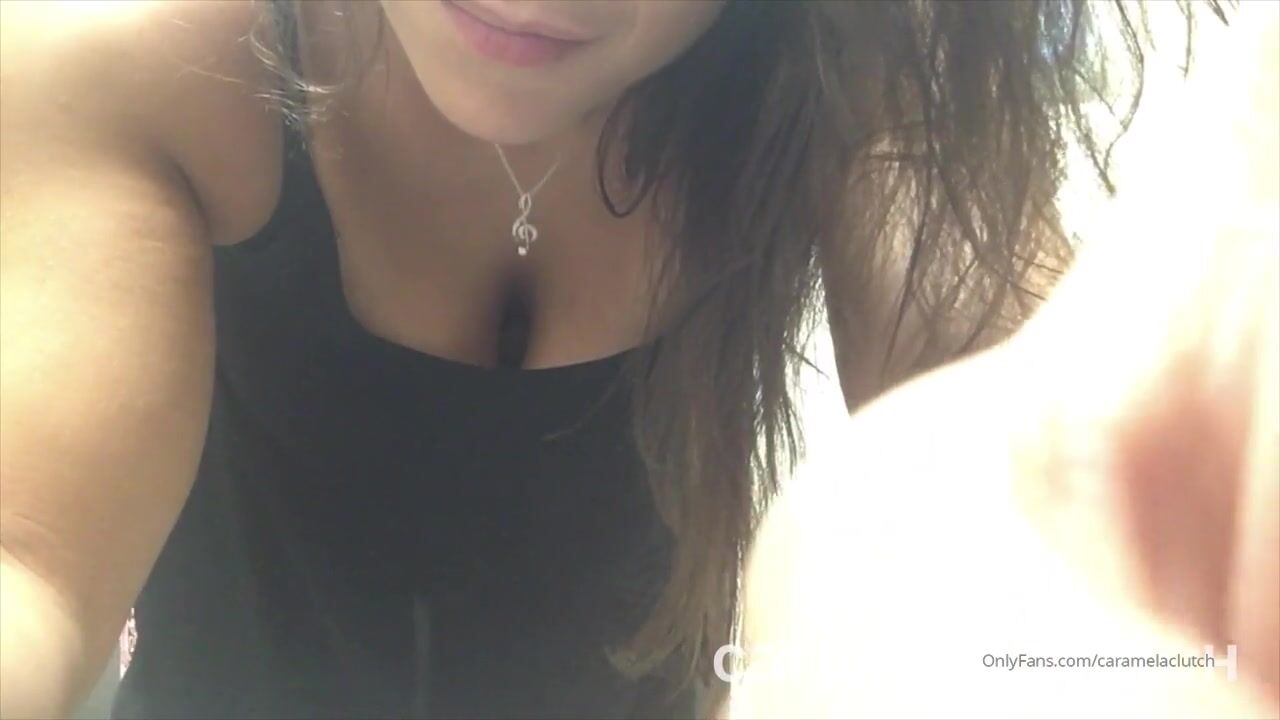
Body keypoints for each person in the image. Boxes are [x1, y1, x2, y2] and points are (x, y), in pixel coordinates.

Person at [0, 1, 1274, 718]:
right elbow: (27, 558)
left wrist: (1084, 634)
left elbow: (1037, 482)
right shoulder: (145, 58)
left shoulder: (845, 67)